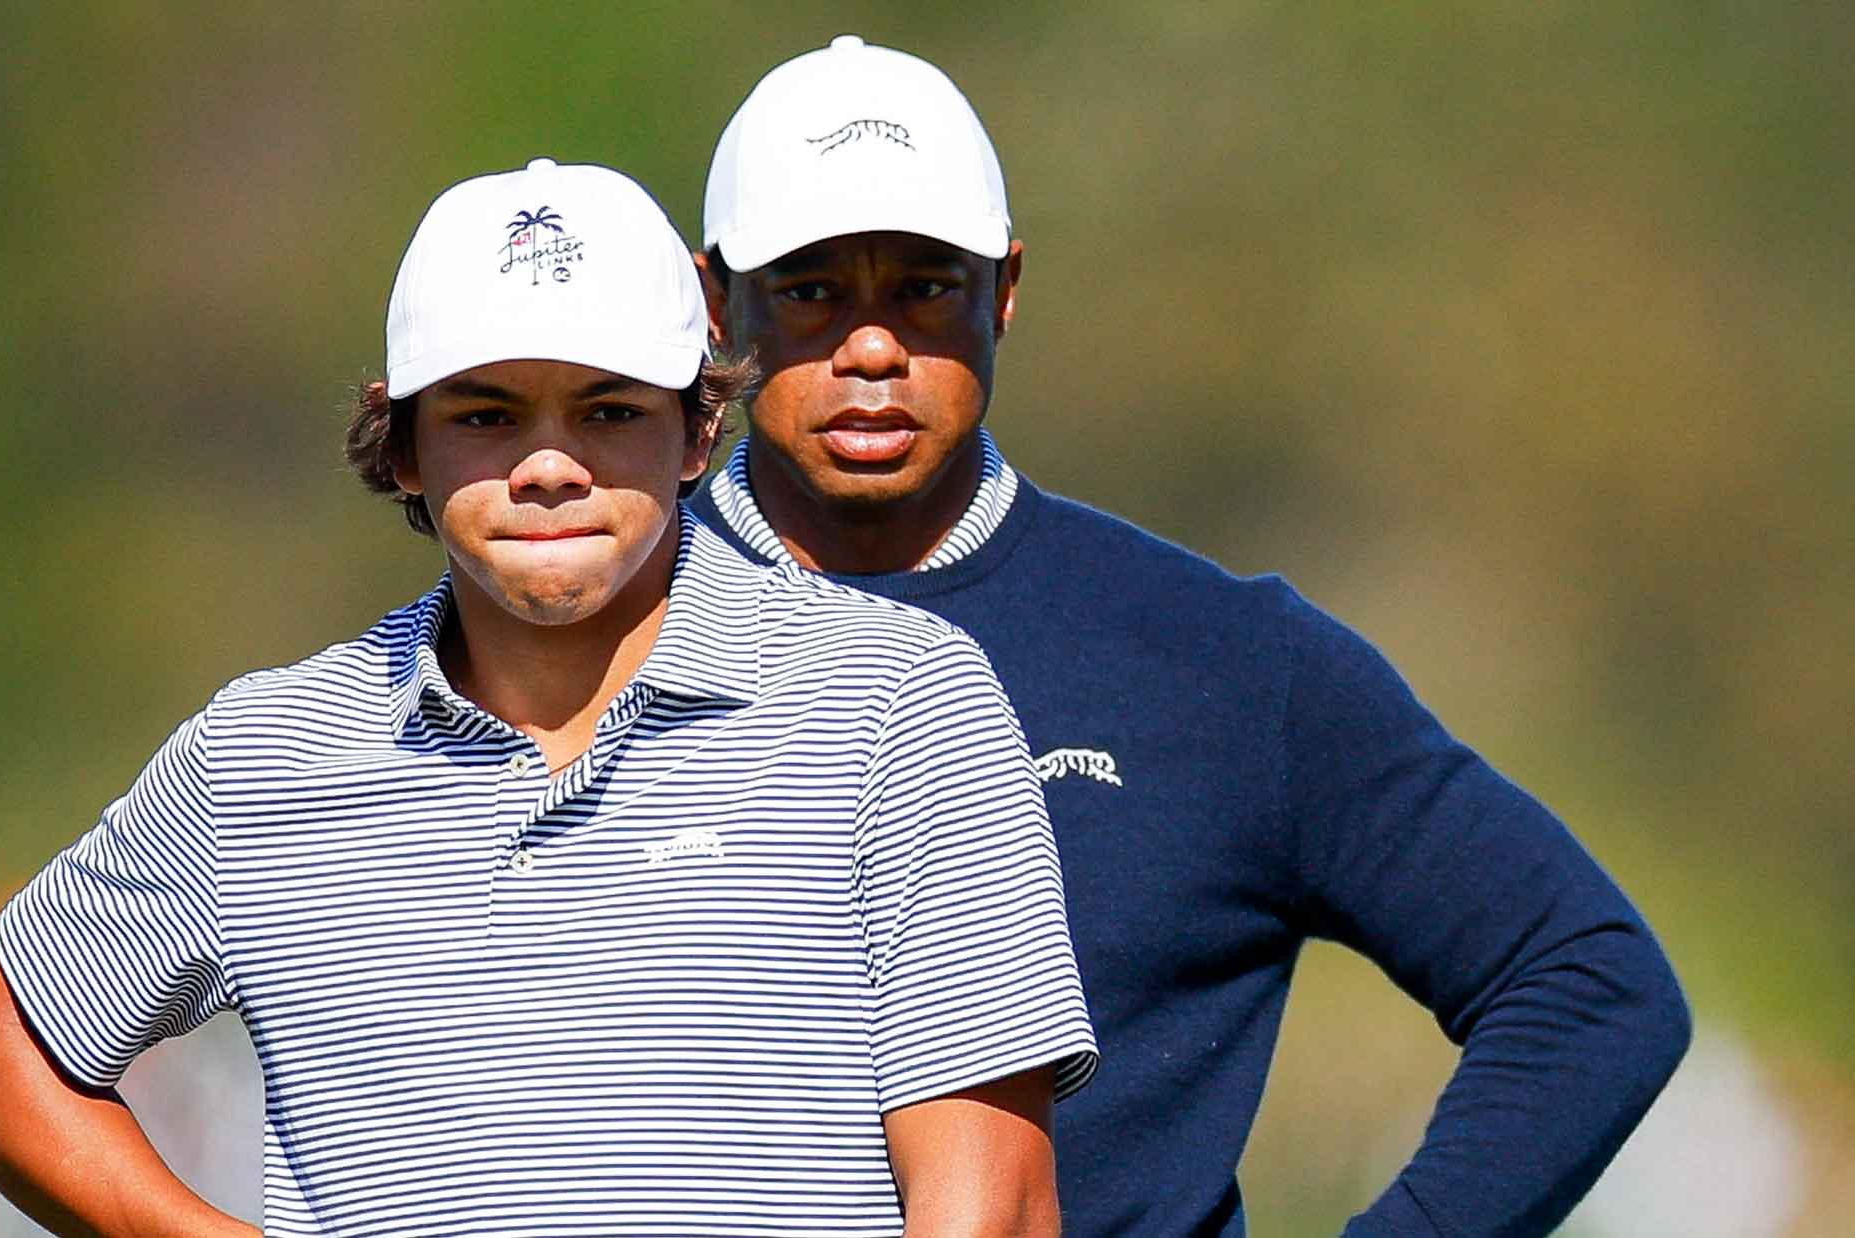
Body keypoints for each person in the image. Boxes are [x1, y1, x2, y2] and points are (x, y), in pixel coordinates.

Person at [0, 157, 1097, 1237]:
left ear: (697, 430)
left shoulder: (892, 699)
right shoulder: (267, 753)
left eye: (609, 409)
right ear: (404, 446)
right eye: (485, 414)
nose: (547, 462)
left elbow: (991, 1206)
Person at [687, 35, 1690, 1237]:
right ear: (713, 303)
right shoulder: (592, 639)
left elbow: (1590, 983)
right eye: (808, 291)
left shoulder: (1220, 662)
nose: (869, 346)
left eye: (923, 286)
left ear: (1004, 290)